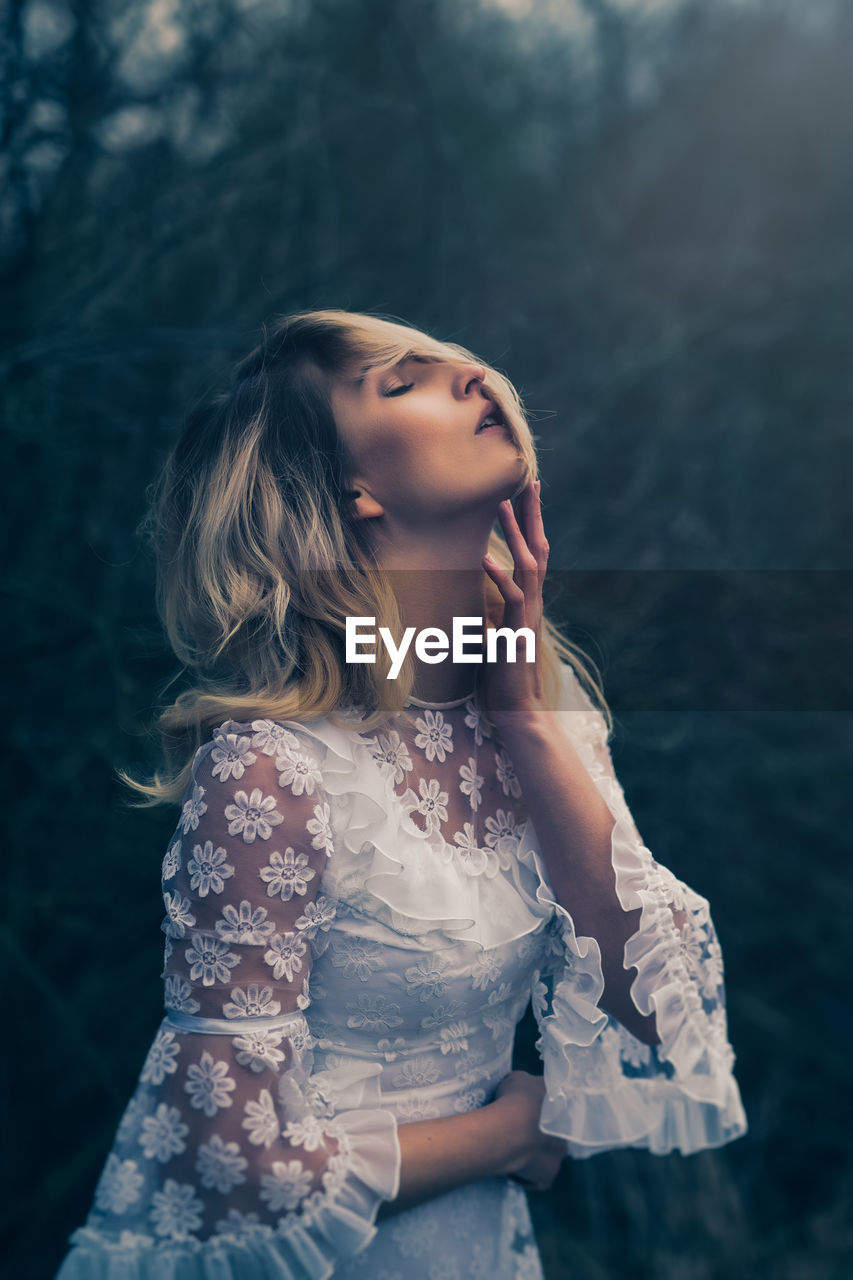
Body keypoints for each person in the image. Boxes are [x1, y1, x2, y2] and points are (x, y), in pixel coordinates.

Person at [54, 310, 748, 1279]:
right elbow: (229, 1168)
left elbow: (660, 1027)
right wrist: (511, 1130)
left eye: (450, 356)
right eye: (401, 379)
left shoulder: (537, 716)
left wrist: (529, 727)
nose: (469, 374)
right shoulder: (268, 767)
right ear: (352, 489)